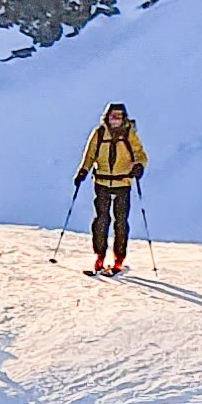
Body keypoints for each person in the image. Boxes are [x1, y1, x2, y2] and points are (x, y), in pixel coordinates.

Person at [78, 103, 146, 275]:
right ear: (107, 116)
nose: (115, 119)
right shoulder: (99, 133)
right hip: (102, 182)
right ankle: (99, 257)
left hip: (123, 182)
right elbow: (90, 155)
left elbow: (139, 154)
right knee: (101, 221)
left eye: (119, 116)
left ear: (124, 118)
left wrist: (139, 166)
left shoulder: (129, 134)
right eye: (113, 115)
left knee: (120, 223)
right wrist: (83, 171)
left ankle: (118, 259)